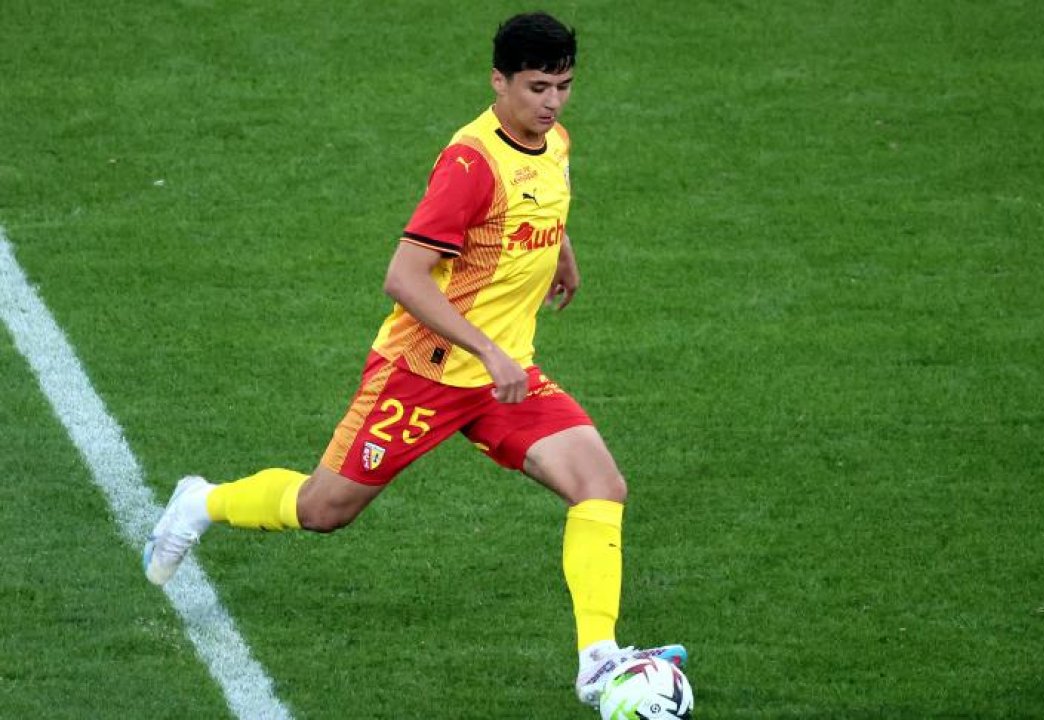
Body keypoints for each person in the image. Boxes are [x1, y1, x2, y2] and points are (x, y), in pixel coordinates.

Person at [142, 11, 685, 709]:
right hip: (424, 373)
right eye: (537, 87)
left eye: (564, 86)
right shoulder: (470, 164)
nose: (552, 102)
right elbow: (403, 276)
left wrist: (561, 254)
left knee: (601, 486)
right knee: (324, 508)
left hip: (501, 379)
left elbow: (541, 200)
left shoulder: (553, 140)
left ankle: (597, 660)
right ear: (499, 82)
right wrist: (487, 349)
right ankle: (201, 502)